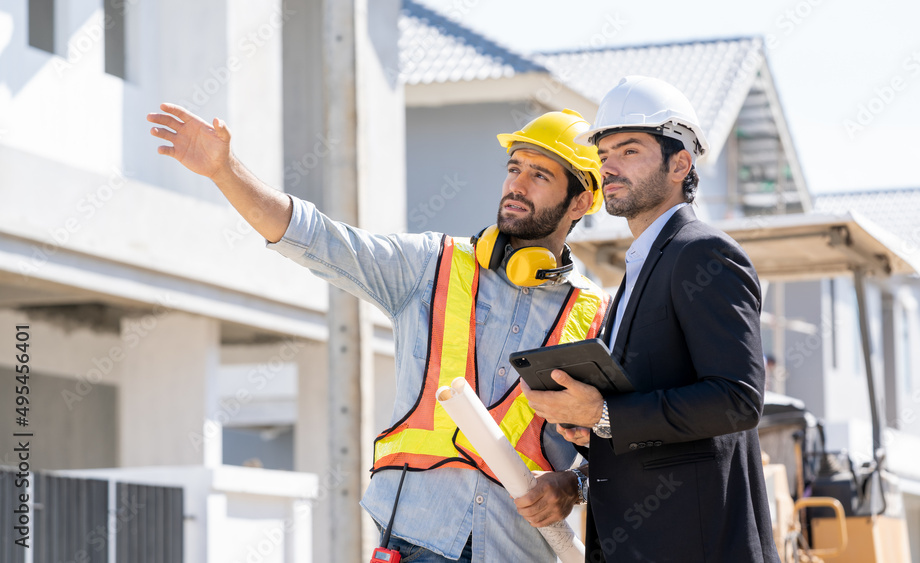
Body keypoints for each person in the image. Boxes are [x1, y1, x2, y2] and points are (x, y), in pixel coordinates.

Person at [148, 104, 609, 562]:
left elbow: (626, 436)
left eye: (540, 176)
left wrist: (576, 485)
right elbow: (317, 239)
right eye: (514, 168)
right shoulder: (431, 265)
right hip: (417, 542)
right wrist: (225, 171)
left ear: (580, 201)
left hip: (518, 552)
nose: (516, 185)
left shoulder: (596, 315)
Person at [520, 76, 780, 562]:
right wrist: (586, 453)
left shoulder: (704, 253)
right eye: (603, 156)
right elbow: (653, 427)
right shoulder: (639, 270)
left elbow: (737, 399)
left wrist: (602, 414)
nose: (609, 167)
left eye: (630, 150)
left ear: (680, 163)